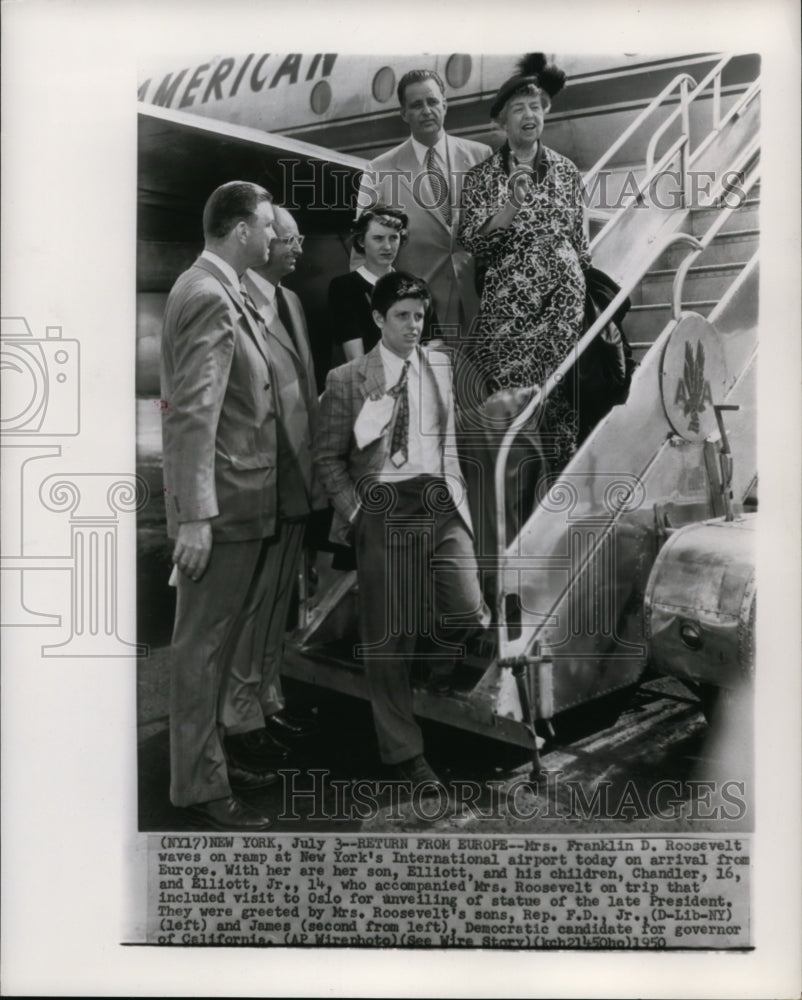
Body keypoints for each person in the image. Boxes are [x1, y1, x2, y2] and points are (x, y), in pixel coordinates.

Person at [314, 272, 489, 789]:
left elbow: (452, 434)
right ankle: (404, 753)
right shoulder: (347, 379)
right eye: (402, 317)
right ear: (377, 319)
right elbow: (327, 458)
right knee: (386, 637)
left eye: (420, 316)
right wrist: (354, 513)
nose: (414, 326)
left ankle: (431, 667)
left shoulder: (440, 364)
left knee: (465, 605)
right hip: (382, 506)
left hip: (438, 498)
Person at [160, 181, 284, 831]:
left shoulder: (210, 287)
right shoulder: (211, 296)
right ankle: (203, 788)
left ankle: (212, 764)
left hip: (237, 503)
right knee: (202, 652)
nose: (271, 236)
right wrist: (197, 517)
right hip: (226, 510)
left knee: (212, 646)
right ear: (240, 230)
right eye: (266, 226)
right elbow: (193, 417)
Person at [458, 53, 591, 473]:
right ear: (502, 121)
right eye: (519, 109)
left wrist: (575, 283)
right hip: (508, 310)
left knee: (557, 399)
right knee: (511, 395)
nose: (529, 115)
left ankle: (554, 497)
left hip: (560, 307)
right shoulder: (482, 177)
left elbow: (580, 242)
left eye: (536, 107)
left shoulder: (567, 171)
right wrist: (512, 203)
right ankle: (509, 496)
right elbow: (471, 241)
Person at [240, 205, 326, 741]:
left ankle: (268, 701)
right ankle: (242, 718)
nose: (298, 247)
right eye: (288, 238)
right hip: (261, 483)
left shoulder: (289, 300)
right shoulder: (236, 301)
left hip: (299, 479)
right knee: (251, 610)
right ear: (262, 241)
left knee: (277, 606)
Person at [355, 69, 491, 339]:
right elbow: (362, 251)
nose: (427, 111)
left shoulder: (481, 156)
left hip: (480, 304)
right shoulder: (378, 170)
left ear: (445, 105)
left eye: (433, 102)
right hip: (418, 316)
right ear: (404, 114)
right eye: (416, 105)